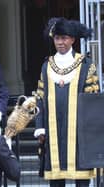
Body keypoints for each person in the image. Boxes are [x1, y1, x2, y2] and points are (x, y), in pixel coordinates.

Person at [34, 17, 99, 187]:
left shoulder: (86, 65)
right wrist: (39, 127)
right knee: (56, 179)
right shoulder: (46, 65)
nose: (60, 42)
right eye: (57, 38)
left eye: (64, 38)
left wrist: (91, 130)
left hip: (79, 133)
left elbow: (92, 99)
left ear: (72, 39)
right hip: (52, 130)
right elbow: (40, 98)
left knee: (82, 178)